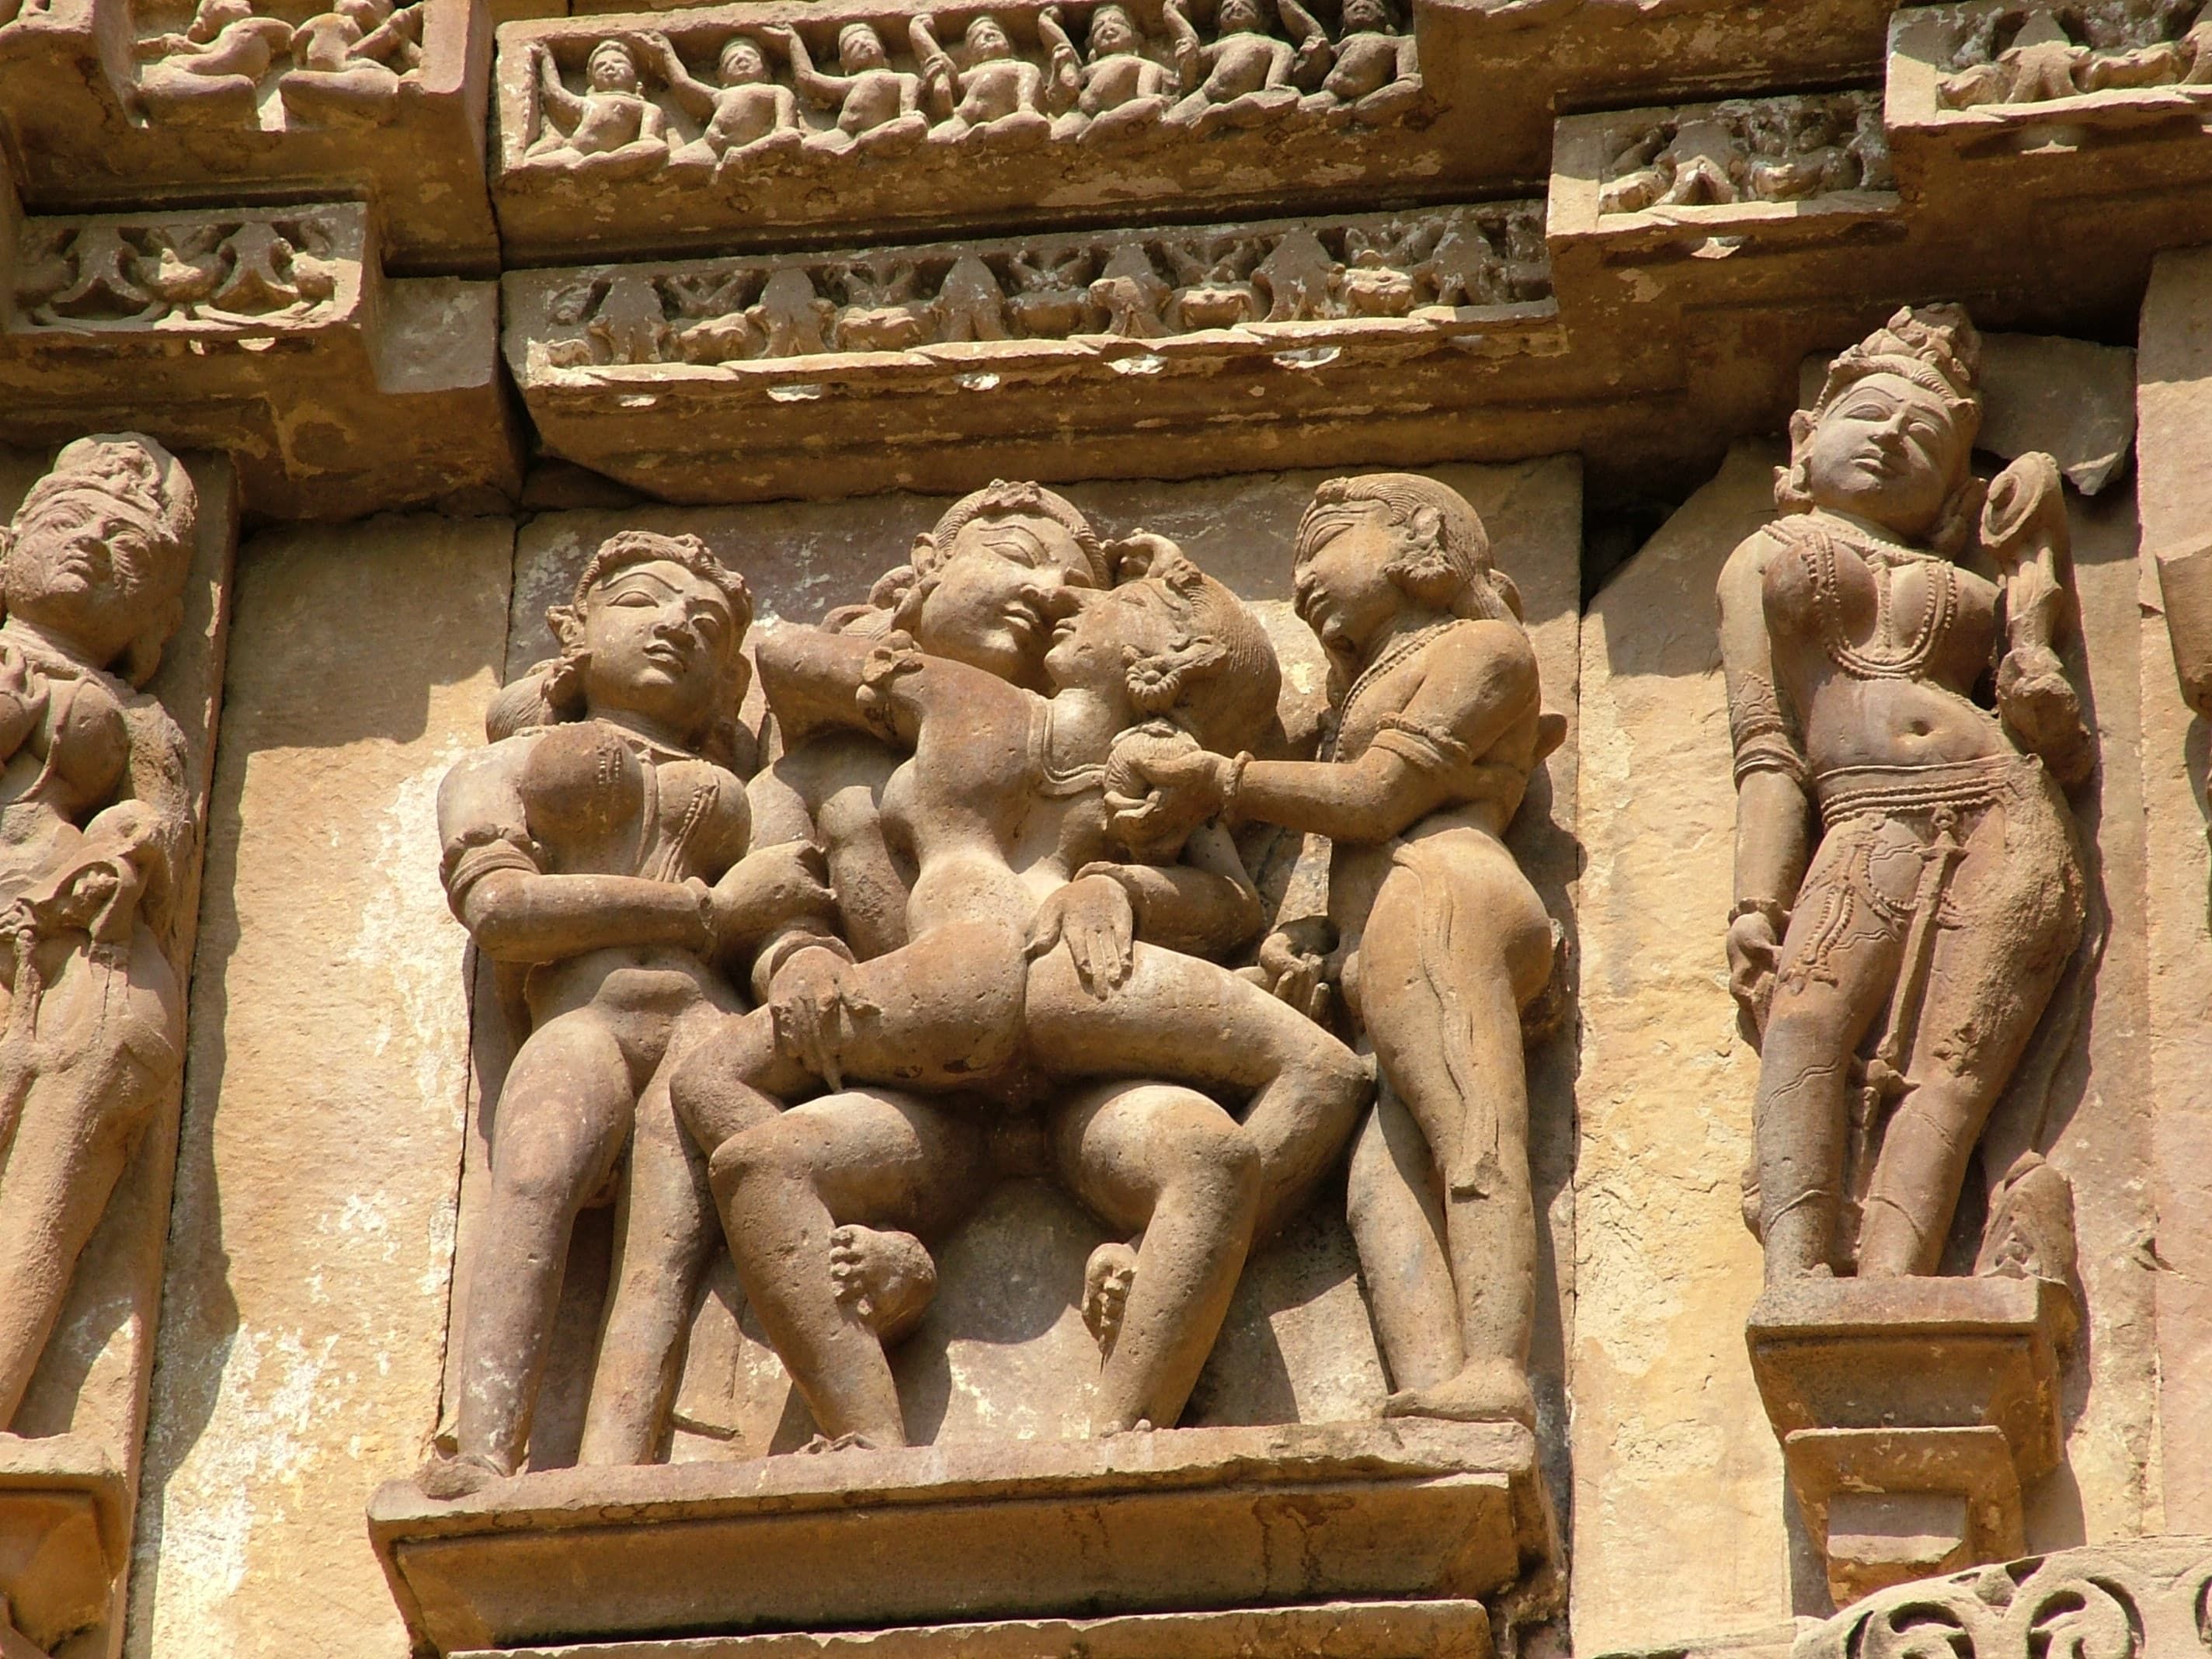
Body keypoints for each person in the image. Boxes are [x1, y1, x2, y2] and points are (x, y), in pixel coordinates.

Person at [672, 533, 1369, 1449]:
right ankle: (1124, 1420)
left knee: (739, 1129)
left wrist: (889, 657)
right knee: (1242, 1135)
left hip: (964, 991)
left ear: (1153, 661)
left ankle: (866, 1437)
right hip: (1049, 1019)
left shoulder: (972, 701)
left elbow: (786, 656)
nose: (1059, 598)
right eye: (1021, 560)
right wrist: (1120, 885)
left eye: (1093, 595)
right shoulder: (1149, 751)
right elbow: (1230, 903)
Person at [1109, 473, 1561, 1425]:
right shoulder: (1370, 683)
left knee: (1468, 1131)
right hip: (1383, 918)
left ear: (1420, 538)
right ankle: (1436, 1391)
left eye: (1324, 544)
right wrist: (1314, 936)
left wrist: (1217, 780)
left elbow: (1375, 798)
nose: (1302, 577)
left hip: (1442, 892)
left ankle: (1495, 1371)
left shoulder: (1482, 649)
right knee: (1374, 1186)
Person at [422, 532, 829, 1495]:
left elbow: (785, 918)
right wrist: (694, 912)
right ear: (575, 629)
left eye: (706, 625)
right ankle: (482, 1448)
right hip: (583, 1014)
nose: (676, 626)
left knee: (666, 1254)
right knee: (533, 1182)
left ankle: (617, 1470)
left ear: (727, 679)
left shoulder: (749, 796)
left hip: (704, 1030)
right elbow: (502, 910)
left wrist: (809, 964)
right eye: (645, 601)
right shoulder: (507, 764)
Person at [1716, 306, 2088, 1284]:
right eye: (1868, 415)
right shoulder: (1768, 553)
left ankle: (1892, 1286)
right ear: (1805, 441)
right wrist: (1756, 901)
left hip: (2006, 809)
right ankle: (1796, 1280)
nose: (1888, 436)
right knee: (1804, 1027)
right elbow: (1767, 747)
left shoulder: (1972, 575)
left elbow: (2056, 742)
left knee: (1950, 1069)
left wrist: (2034, 644)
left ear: (1957, 490)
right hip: (1865, 814)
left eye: (1921, 433)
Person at [0, 435, 199, 1435]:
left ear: (154, 622)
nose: (91, 546)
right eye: (69, 523)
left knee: (41, 1195)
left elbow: (167, 823)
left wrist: (126, 841)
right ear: (8, 546)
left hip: (82, 954)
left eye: (128, 549)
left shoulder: (140, 717)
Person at [643, 33, 804, 176]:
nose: (741, 59)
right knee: (670, 164)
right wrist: (666, 51)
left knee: (789, 137)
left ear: (767, 69)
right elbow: (683, 84)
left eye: (750, 55)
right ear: (721, 77)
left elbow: (785, 130)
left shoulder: (777, 91)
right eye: (731, 60)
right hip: (712, 148)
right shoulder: (720, 95)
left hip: (754, 146)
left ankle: (743, 154)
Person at [774, 23, 928, 157]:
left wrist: (908, 113)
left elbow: (908, 111)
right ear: (845, 64)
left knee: (913, 124)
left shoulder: (904, 78)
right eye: (853, 45)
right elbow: (809, 80)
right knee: (807, 148)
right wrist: (793, 41)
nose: (863, 44)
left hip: (879, 130)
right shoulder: (851, 83)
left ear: (883, 49)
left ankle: (864, 143)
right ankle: (862, 145)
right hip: (844, 134)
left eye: (869, 39)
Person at [522, 39, 670, 177]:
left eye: (619, 62)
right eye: (600, 65)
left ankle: (606, 162)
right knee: (529, 165)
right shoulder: (588, 102)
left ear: (634, 75)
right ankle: (599, 163)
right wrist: (546, 59)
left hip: (616, 156)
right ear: (591, 81)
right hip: (576, 153)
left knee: (657, 147)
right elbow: (555, 95)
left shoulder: (646, 107)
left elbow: (650, 140)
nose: (609, 66)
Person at [134, 0, 294, 123]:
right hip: (173, 75)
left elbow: (290, 35)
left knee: (240, 89)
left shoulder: (233, 32)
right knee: (241, 89)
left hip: (174, 80)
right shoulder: (242, 28)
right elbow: (290, 35)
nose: (242, 2)